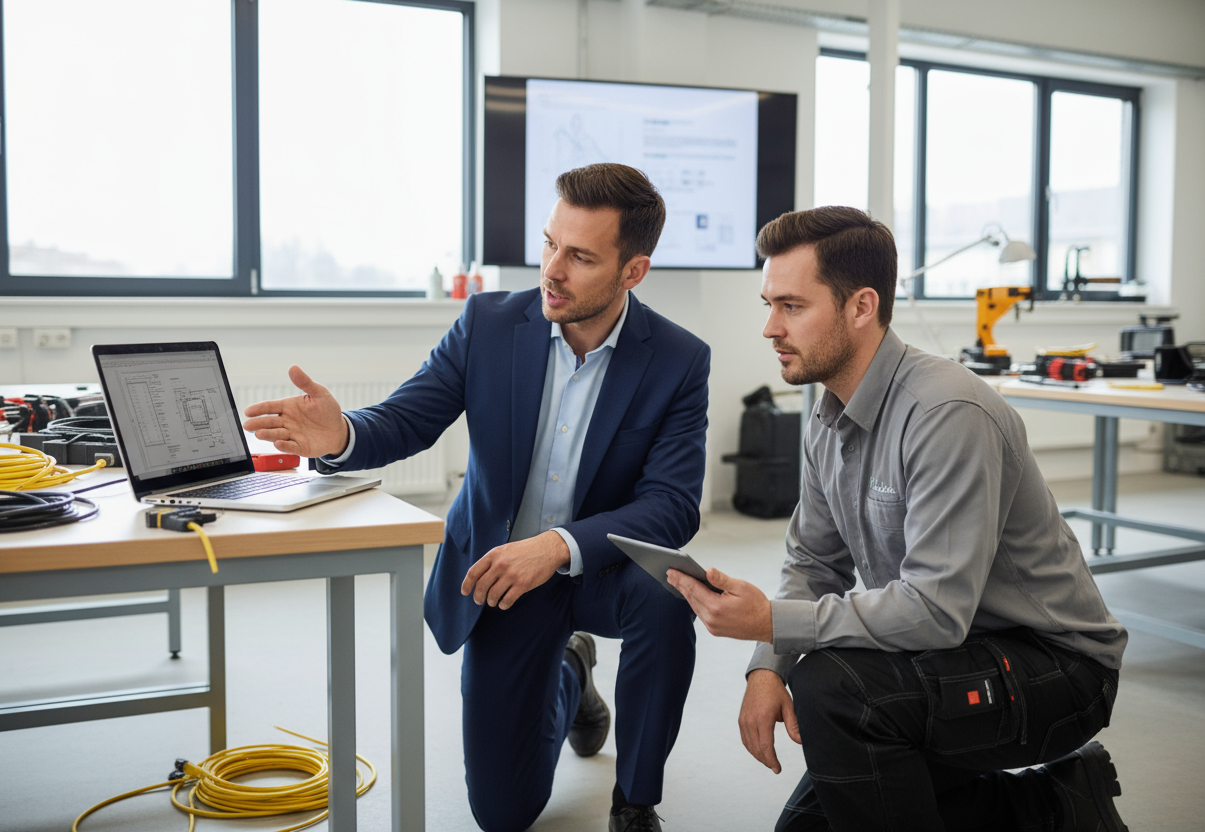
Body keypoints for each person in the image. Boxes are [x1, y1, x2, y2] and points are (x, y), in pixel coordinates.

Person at [243, 163, 709, 832]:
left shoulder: (676, 359)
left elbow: (672, 506)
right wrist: (341, 432)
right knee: (504, 815)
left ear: (632, 272)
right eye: (550, 243)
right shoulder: (489, 324)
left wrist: (556, 547)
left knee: (670, 597)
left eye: (578, 257)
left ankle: (635, 801)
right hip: (504, 578)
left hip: (600, 568)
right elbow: (405, 420)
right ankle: (572, 673)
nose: (552, 268)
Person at [667, 206, 1129, 832]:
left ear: (861, 306)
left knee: (834, 688)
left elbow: (936, 610)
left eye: (792, 307)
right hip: (955, 650)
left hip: (1056, 667)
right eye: (768, 304)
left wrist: (773, 619)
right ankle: (1056, 807)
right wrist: (767, 663)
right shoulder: (827, 414)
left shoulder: (947, 411)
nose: (770, 327)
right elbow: (813, 563)